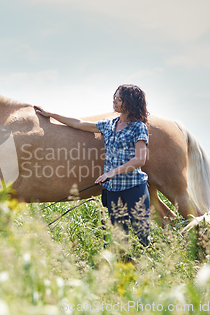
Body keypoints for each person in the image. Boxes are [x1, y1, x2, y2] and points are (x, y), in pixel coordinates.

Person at [35, 84, 150, 246]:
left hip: (134, 188)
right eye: (114, 98)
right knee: (116, 238)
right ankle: (122, 268)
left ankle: (149, 266)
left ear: (129, 102)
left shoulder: (139, 127)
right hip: (113, 190)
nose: (114, 102)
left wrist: (112, 173)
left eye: (118, 99)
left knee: (142, 234)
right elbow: (78, 123)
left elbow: (140, 159)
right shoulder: (109, 125)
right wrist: (51, 115)